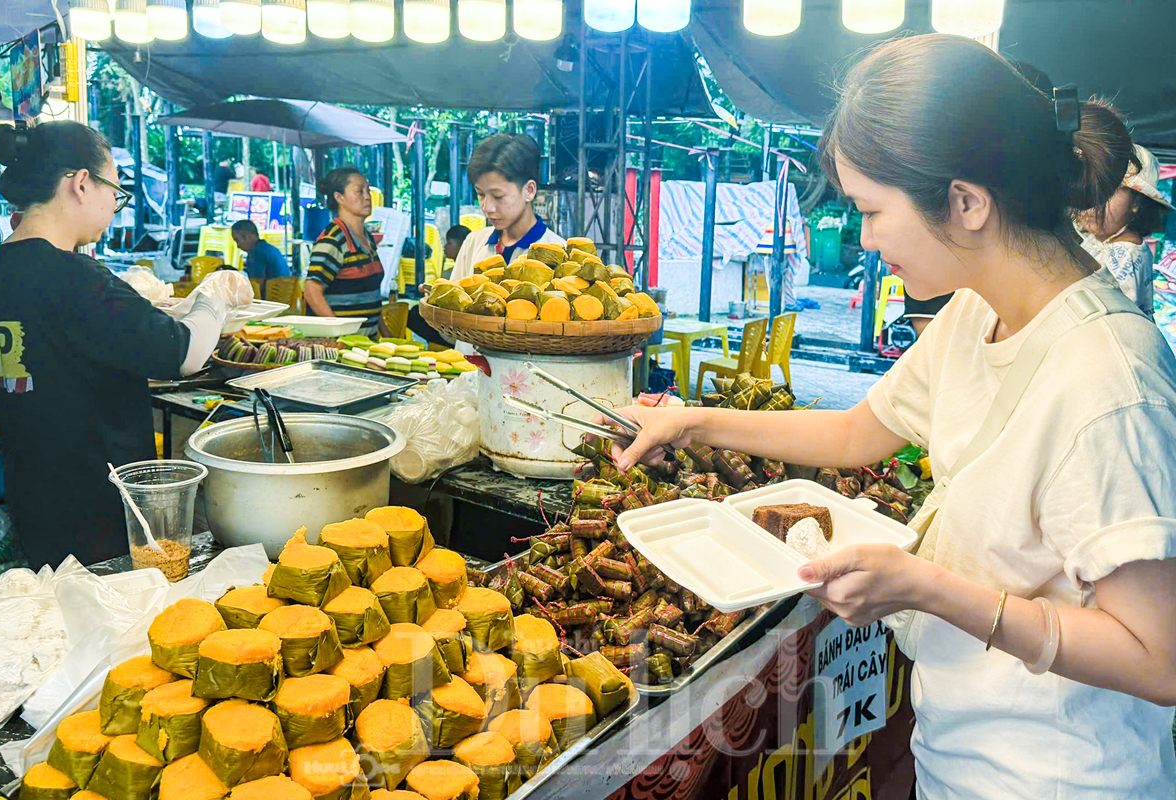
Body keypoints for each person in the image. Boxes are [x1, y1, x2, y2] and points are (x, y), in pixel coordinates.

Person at [606, 35, 1176, 799]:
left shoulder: (1109, 382)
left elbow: (1156, 657)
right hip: (958, 755)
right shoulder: (977, 314)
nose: (865, 239)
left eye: (873, 211)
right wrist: (693, 421)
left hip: (1061, 778)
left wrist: (926, 587)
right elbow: (856, 434)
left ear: (967, 202)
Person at [0, 121, 252, 570]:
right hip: (97, 515)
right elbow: (182, 353)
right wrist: (214, 295)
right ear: (82, 183)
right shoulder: (70, 275)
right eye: (116, 192)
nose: (115, 208)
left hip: (35, 505)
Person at [1077, 127, 1172, 316]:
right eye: (1089, 187)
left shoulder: (1126, 256)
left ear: (1135, 202)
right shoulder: (1101, 240)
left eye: (1109, 191)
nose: (1094, 200)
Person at [449, 133, 566, 282]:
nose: (487, 208)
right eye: (480, 194)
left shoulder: (559, 253)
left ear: (529, 190)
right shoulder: (474, 243)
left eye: (498, 196)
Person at [307, 166, 389, 332]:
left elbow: (369, 294)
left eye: (368, 191)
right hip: (344, 349)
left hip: (366, 343)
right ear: (339, 198)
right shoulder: (332, 241)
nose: (367, 197)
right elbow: (312, 292)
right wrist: (339, 334)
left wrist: (385, 332)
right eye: (359, 191)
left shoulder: (367, 239)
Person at [231, 219, 291, 288]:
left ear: (247, 237)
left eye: (237, 241)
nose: (237, 246)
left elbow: (256, 286)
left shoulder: (256, 253)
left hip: (271, 296)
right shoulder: (268, 248)